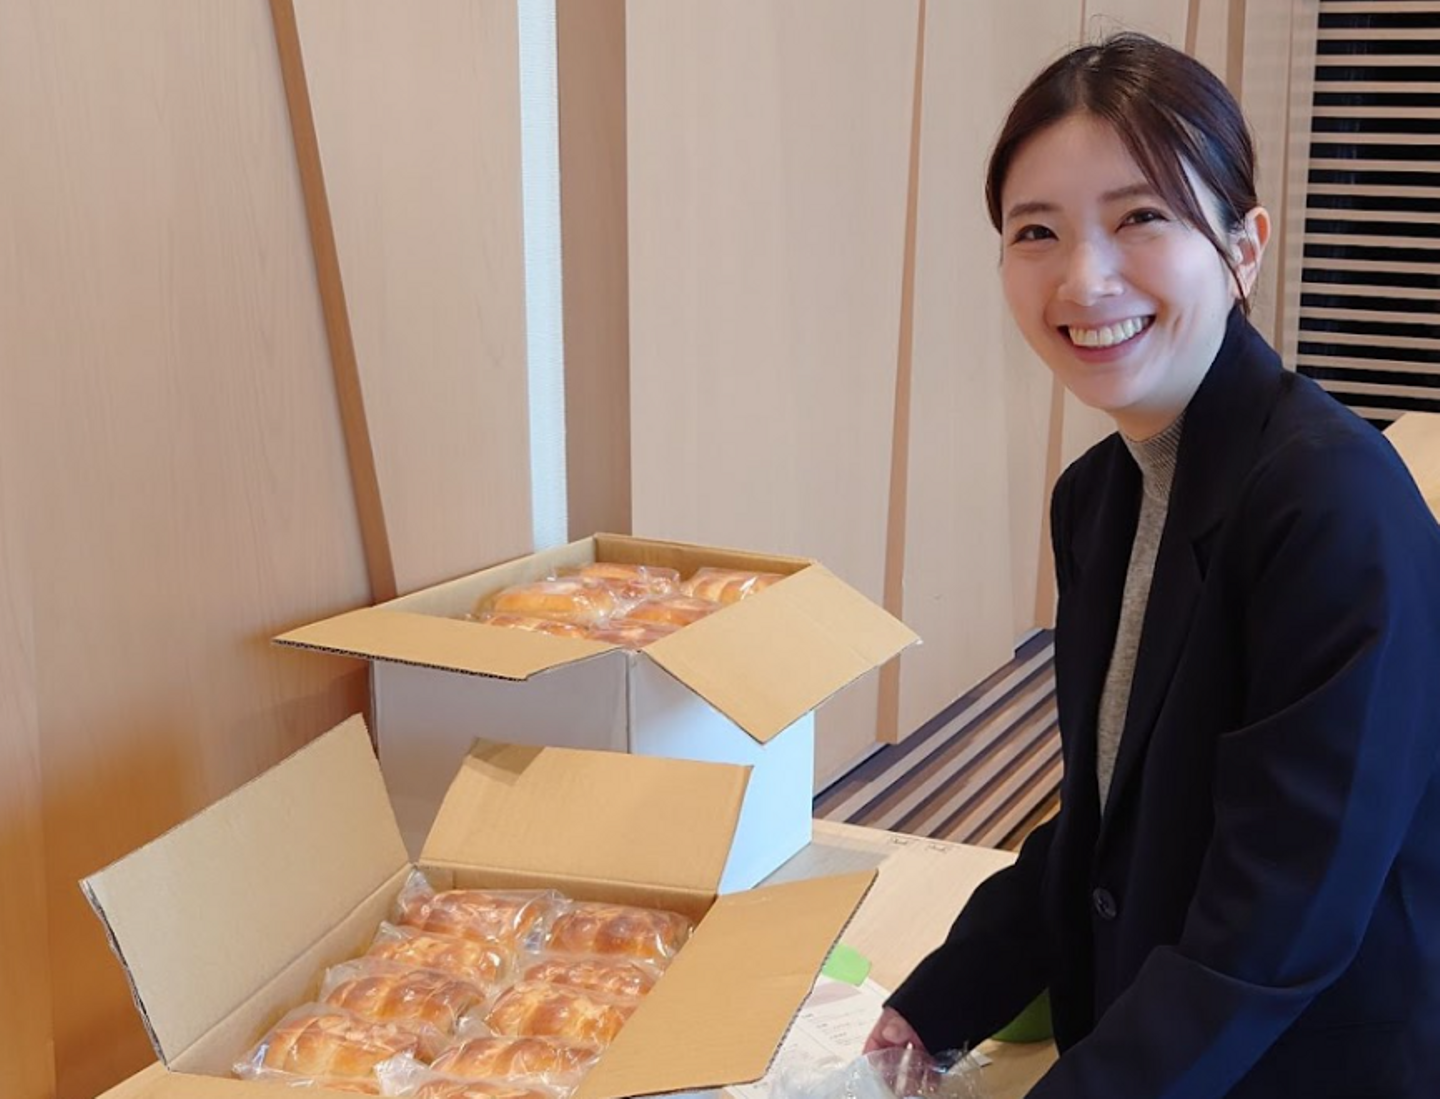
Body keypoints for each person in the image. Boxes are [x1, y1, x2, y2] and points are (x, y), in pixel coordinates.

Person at [864, 31, 1440, 1097]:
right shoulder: (1099, 496)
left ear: (1244, 249)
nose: (1084, 278)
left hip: (1308, 1063)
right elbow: (1103, 820)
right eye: (1037, 231)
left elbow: (1279, 919)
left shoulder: (1333, 506)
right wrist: (936, 1001)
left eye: (1141, 218)